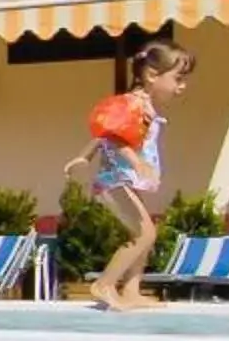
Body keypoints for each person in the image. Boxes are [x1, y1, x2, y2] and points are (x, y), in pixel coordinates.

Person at [64, 39, 197, 312]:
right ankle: (104, 284)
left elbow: (105, 134)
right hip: (113, 182)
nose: (182, 86)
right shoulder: (134, 104)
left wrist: (83, 156)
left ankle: (132, 289)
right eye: (178, 79)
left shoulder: (143, 105)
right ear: (151, 75)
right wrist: (138, 164)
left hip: (122, 181)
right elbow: (111, 136)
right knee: (143, 234)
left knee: (148, 232)